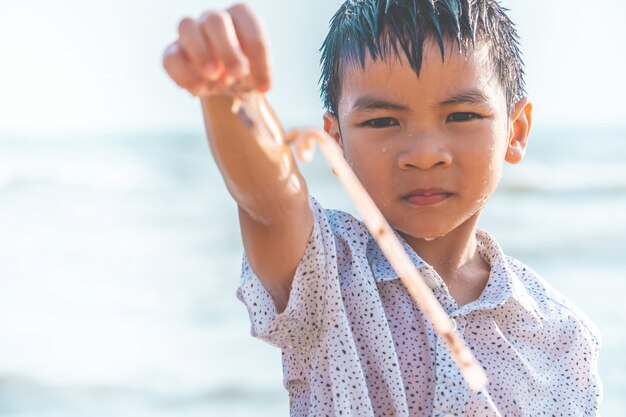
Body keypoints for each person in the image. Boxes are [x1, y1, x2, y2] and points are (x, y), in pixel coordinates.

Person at [162, 1, 602, 415]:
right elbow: (270, 203)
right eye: (381, 121)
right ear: (335, 141)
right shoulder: (327, 270)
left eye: (462, 115)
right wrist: (230, 100)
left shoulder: (561, 335)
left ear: (516, 130)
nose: (425, 153)